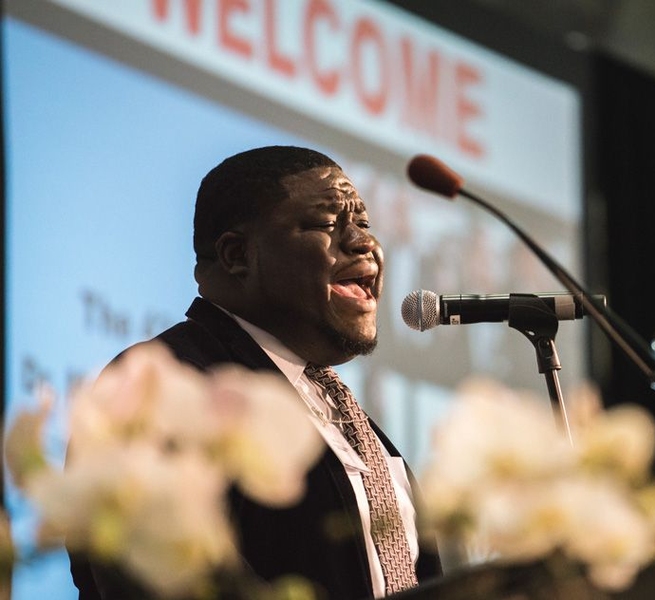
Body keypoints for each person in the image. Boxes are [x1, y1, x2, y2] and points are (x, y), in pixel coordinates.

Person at [70, 146, 442, 599]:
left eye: (362, 223)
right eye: (326, 223)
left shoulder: (345, 415)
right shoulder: (160, 384)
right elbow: (152, 579)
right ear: (236, 255)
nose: (363, 242)